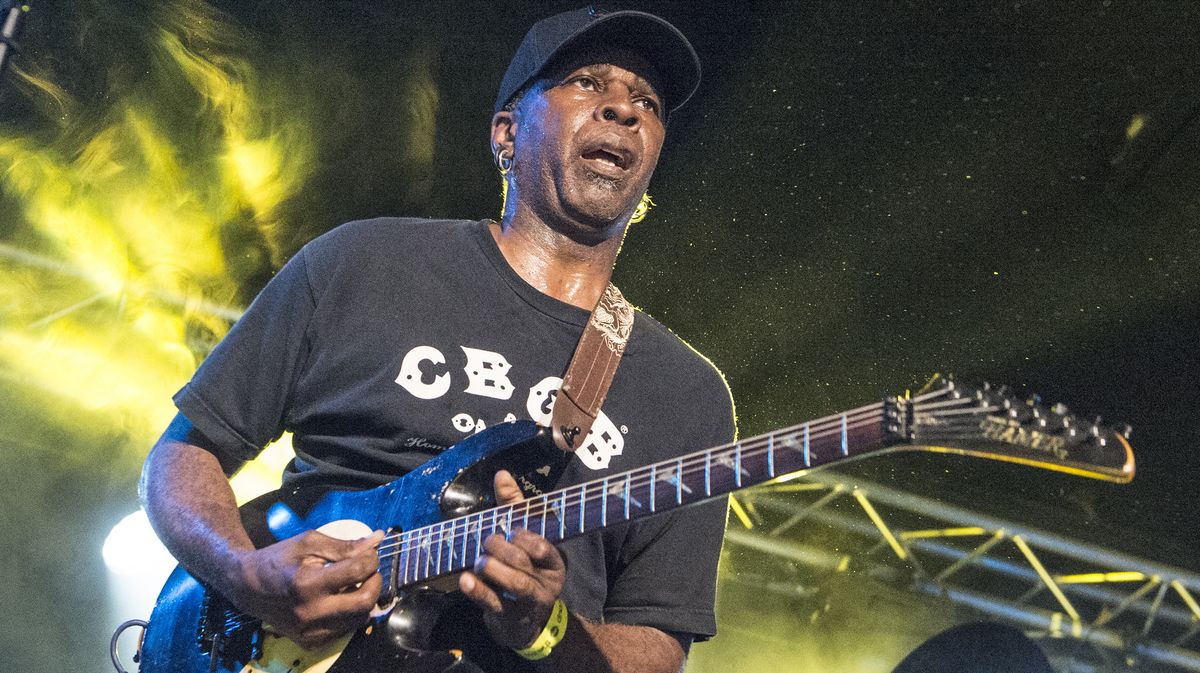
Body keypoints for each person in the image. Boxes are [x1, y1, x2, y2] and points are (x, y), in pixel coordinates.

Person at [140, 7, 735, 673]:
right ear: (507, 130)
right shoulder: (361, 262)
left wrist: (546, 629)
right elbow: (180, 458)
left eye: (647, 102)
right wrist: (246, 574)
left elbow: (656, 649)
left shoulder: (686, 394)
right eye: (588, 83)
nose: (624, 109)